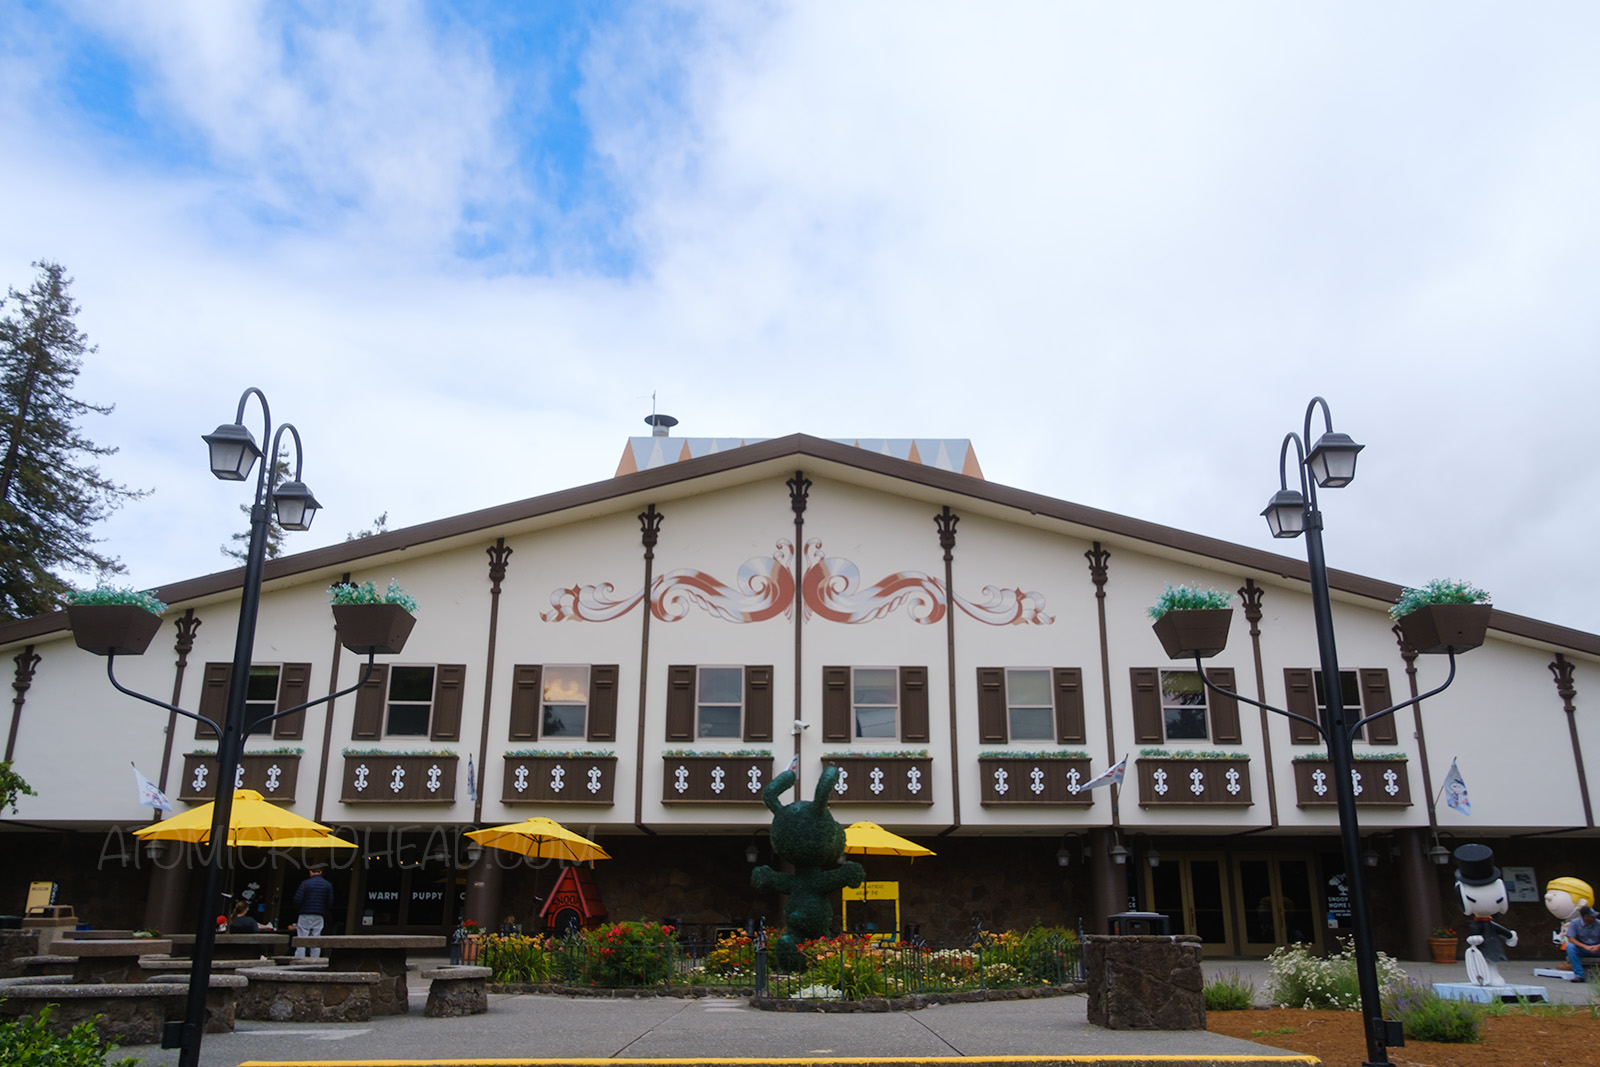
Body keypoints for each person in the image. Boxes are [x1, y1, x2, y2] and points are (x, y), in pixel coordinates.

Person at [291, 866, 335, 957]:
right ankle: (314, 960)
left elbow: (297, 899)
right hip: (319, 914)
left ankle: (299, 959)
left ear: (310, 872)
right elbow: (330, 902)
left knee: (302, 938)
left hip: (305, 913)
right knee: (316, 938)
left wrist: (299, 909)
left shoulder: (305, 884)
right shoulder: (327, 885)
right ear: (321, 872)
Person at [1565, 905, 1600, 982]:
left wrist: (1598, 946)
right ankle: (1579, 975)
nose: (1595, 917)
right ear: (1585, 917)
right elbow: (1571, 939)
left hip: (1597, 948)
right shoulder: (1574, 923)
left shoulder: (1598, 923)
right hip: (1582, 948)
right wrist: (1585, 947)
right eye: (1592, 916)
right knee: (1570, 947)